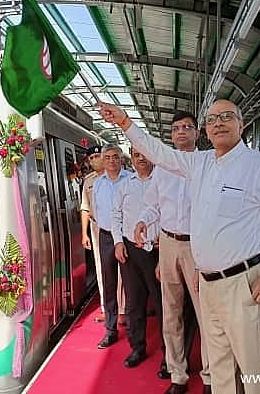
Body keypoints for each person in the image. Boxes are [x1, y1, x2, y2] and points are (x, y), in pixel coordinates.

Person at [99, 99, 260, 394]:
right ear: (206, 131)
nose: (218, 123)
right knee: (221, 370)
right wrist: (125, 123)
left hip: (245, 284)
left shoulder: (259, 167)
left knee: (254, 371)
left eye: (226, 117)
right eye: (212, 119)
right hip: (209, 282)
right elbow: (159, 152)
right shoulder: (200, 163)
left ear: (241, 124)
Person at [135, 110, 211, 393]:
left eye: (187, 127)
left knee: (206, 313)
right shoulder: (162, 168)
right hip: (167, 243)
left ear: (197, 133)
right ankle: (177, 374)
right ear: (171, 134)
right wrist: (143, 221)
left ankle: (210, 376)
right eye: (176, 128)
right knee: (171, 312)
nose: (181, 132)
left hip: (197, 245)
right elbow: (152, 204)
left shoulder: (206, 164)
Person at [112, 148, 163, 369]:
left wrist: (166, 238)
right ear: (131, 159)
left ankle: (170, 355)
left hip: (158, 251)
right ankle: (137, 347)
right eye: (136, 155)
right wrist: (118, 242)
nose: (141, 158)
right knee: (134, 302)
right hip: (131, 251)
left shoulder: (163, 180)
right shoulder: (124, 185)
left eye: (145, 154)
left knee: (162, 303)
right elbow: (116, 215)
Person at [93, 143, 131, 349]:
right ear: (103, 160)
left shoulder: (131, 180)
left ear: (121, 159)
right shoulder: (98, 183)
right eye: (107, 157)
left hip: (127, 237)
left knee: (131, 284)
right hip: (106, 237)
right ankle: (110, 329)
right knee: (109, 284)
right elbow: (96, 210)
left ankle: (134, 327)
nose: (111, 161)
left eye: (115, 156)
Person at [81, 145, 107, 322]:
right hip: (97, 229)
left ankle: (124, 308)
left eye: (97, 156)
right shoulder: (88, 180)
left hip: (117, 228)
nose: (94, 160)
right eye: (91, 158)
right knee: (101, 267)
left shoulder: (116, 175)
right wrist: (84, 233)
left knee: (121, 270)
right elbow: (85, 207)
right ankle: (106, 308)